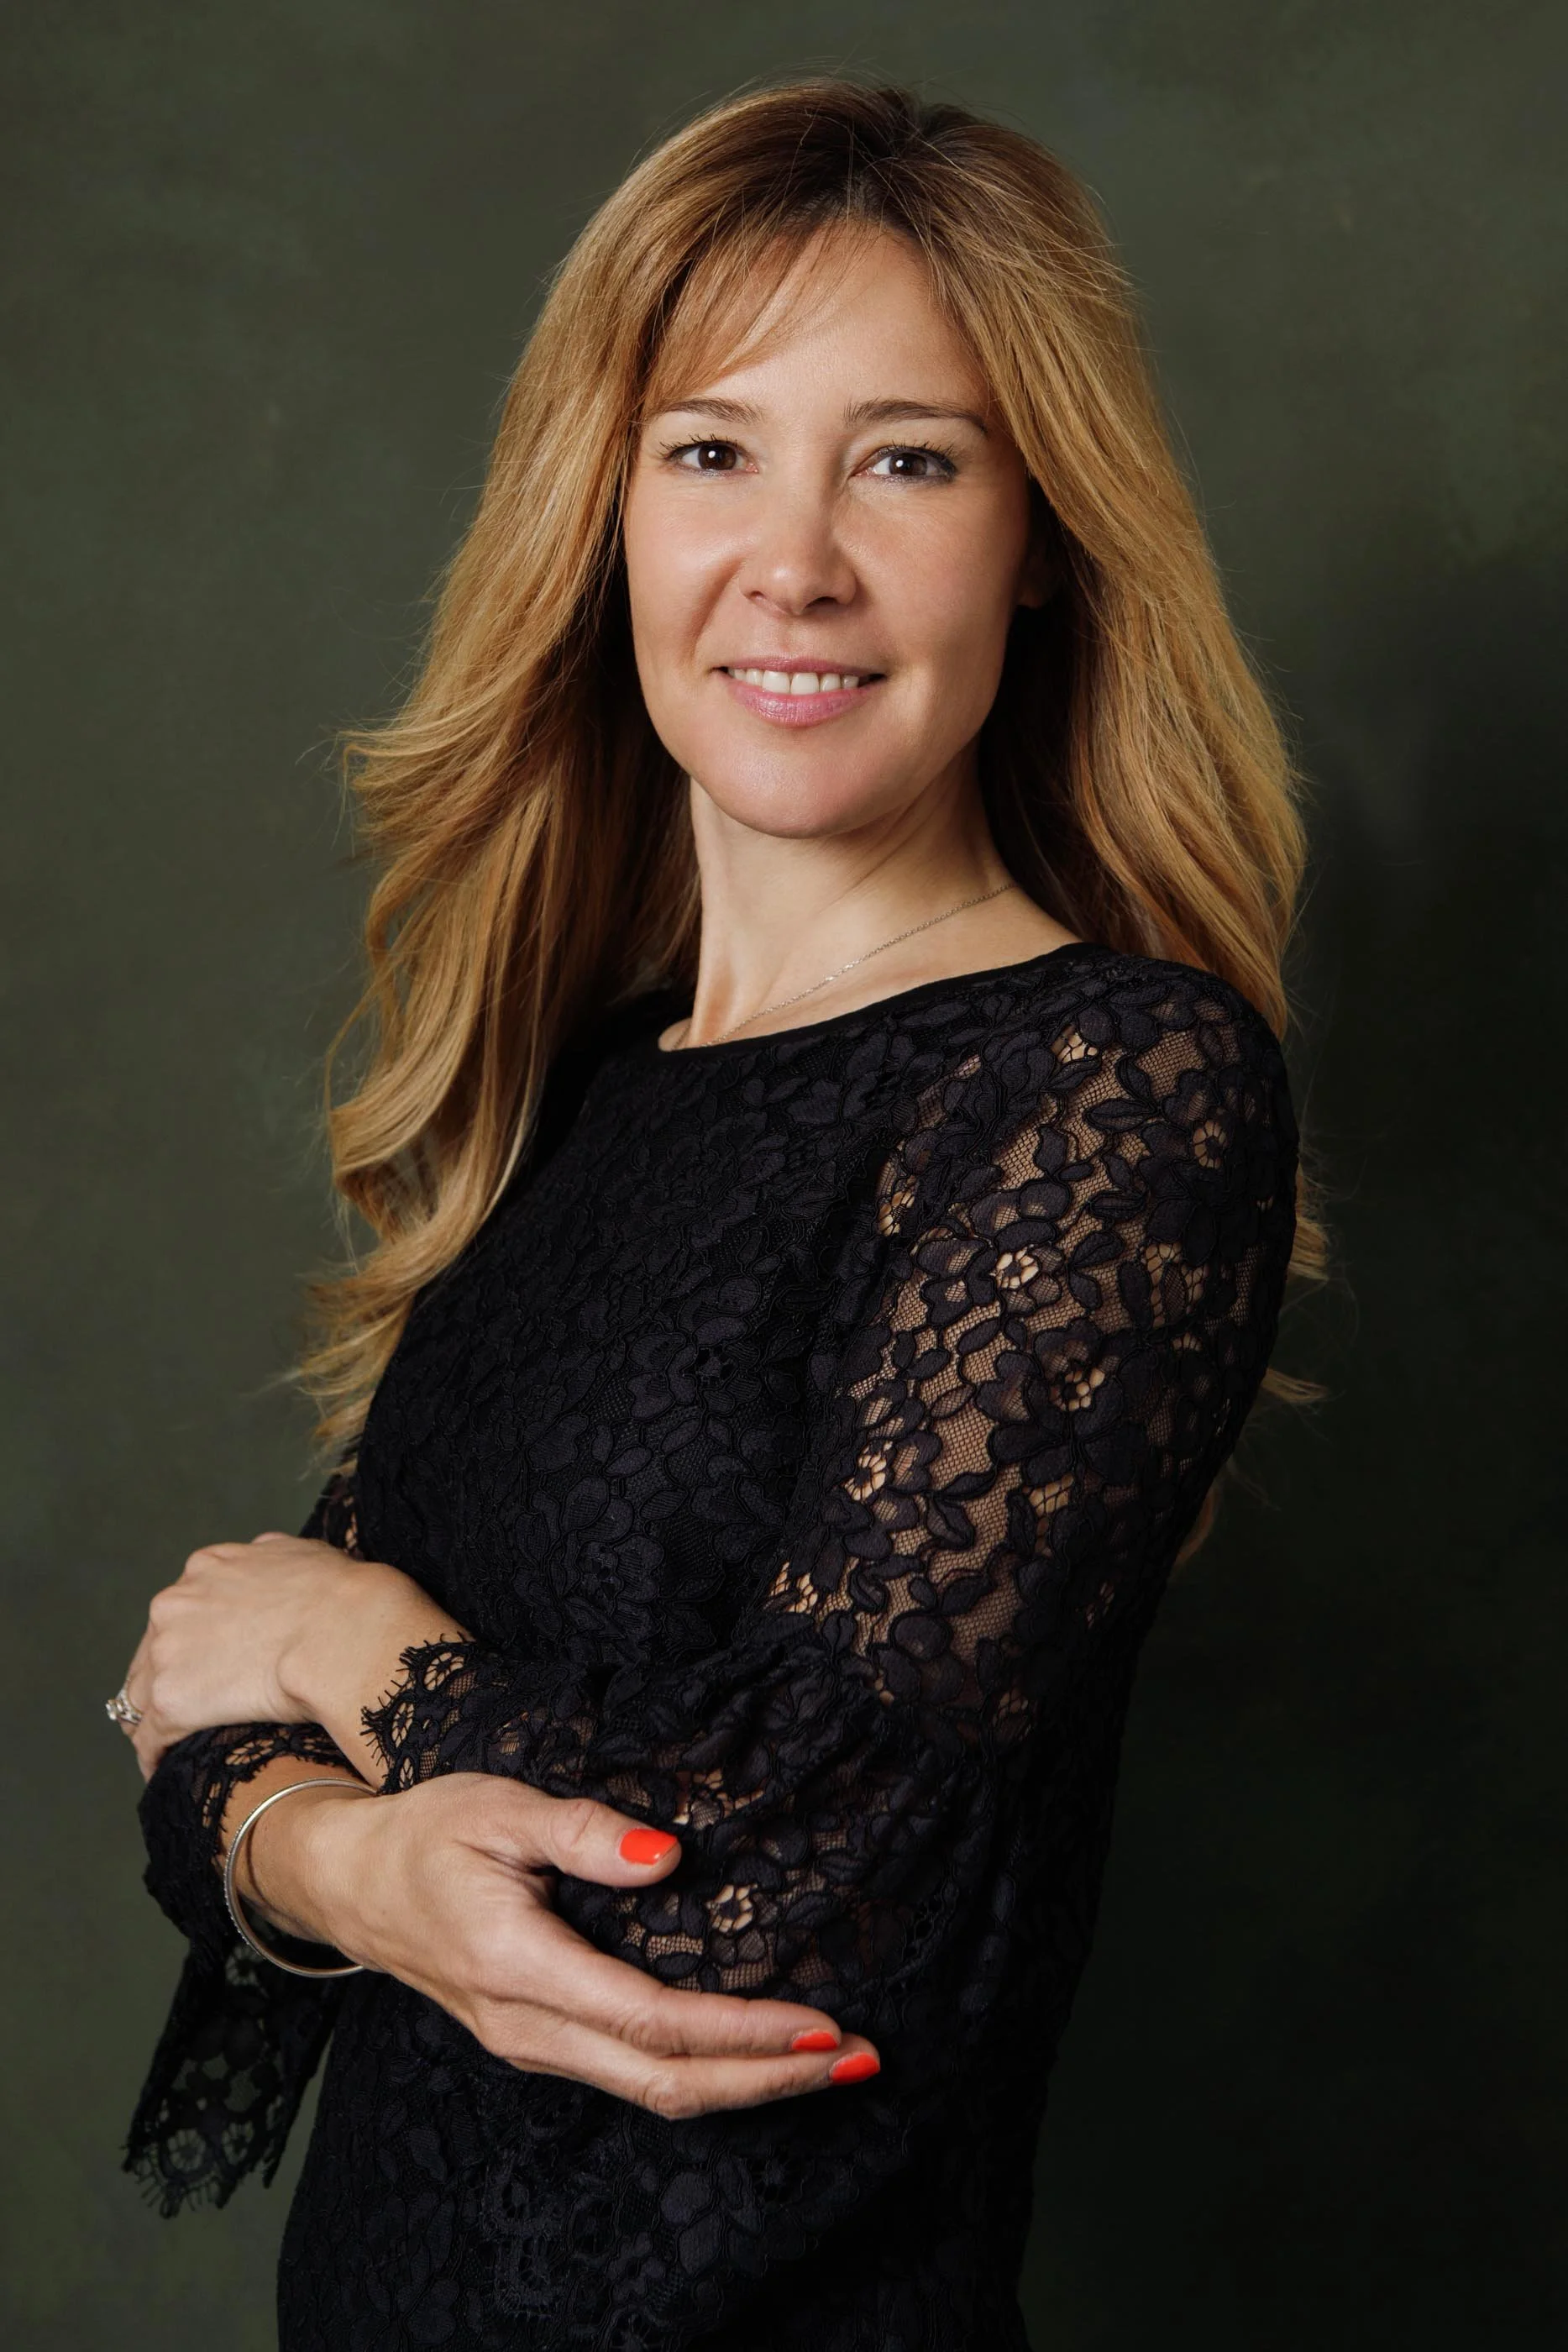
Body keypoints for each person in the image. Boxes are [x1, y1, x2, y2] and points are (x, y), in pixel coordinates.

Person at [112, 80, 1317, 2352]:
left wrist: (362, 1658)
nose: (798, 562)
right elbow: (196, 1732)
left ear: (1041, 532)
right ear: (609, 518)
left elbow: (778, 1877)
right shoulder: (586, 1089)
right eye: (711, 449)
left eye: (910, 458)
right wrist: (345, 1857)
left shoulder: (1109, 1085)